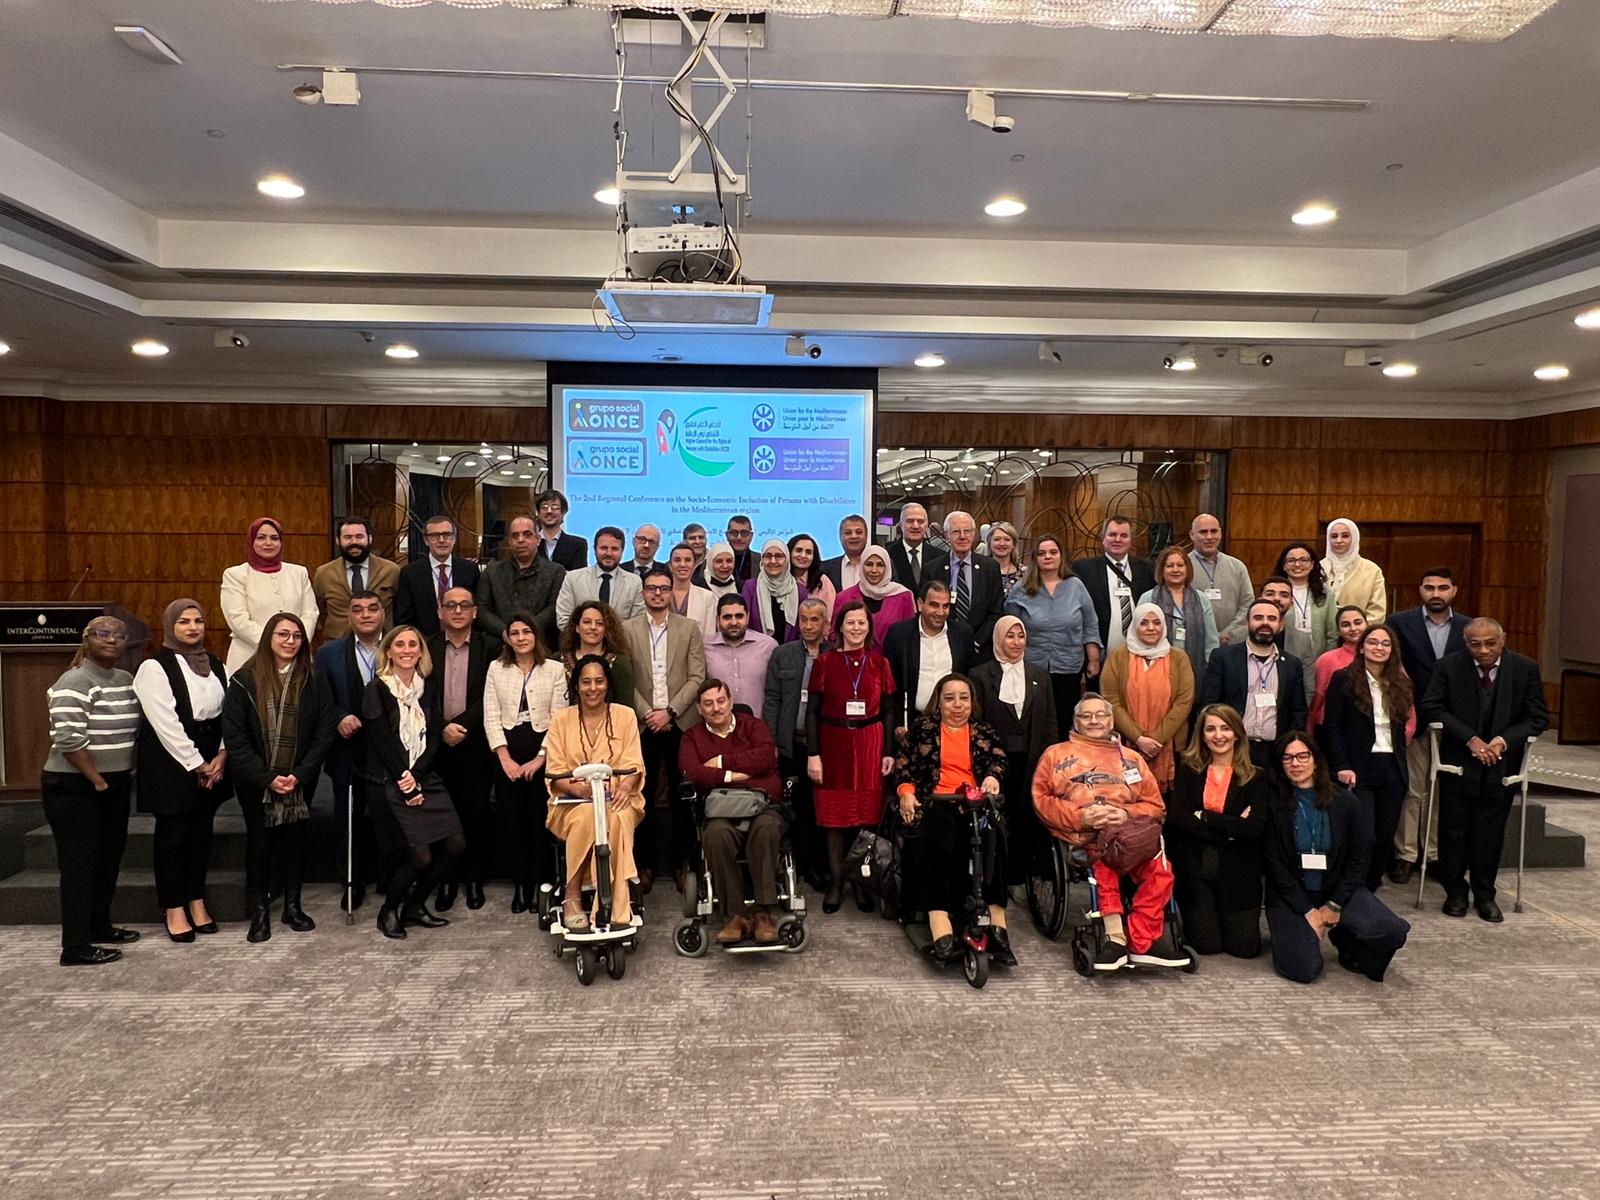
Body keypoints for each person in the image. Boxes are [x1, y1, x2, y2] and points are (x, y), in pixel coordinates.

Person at [1032, 695, 1182, 970]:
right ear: (1076, 722)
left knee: (1161, 872)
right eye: (1086, 716)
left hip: (1131, 835)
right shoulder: (1056, 755)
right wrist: (1081, 816)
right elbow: (1041, 800)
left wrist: (1128, 813)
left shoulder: (1132, 758)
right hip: (1088, 837)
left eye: (1100, 715)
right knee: (1103, 865)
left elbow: (1156, 807)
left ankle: (1141, 940)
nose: (1094, 721)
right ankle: (1115, 938)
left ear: (1111, 721)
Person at [1422, 617, 1549, 922]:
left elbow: (1537, 717)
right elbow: (1432, 707)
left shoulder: (1525, 668)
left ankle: (1484, 894)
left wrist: (1503, 741)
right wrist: (1471, 739)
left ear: (1502, 640)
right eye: (1475, 644)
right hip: (1459, 764)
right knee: (1453, 830)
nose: (1483, 650)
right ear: (1466, 644)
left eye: (1490, 643)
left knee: (1489, 833)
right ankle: (1455, 892)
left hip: (1501, 765)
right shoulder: (1448, 667)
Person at [221, 612, 336, 943]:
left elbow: (324, 731)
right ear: (268, 638)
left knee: (295, 842)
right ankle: (259, 912)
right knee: (260, 842)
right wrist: (268, 777)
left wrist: (299, 774)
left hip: (301, 779)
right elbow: (236, 737)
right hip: (256, 782)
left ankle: (293, 906)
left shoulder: (315, 679)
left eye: (297, 636)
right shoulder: (244, 680)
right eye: (283, 634)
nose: (290, 641)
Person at [1262, 731, 1410, 983]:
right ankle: (1305, 932)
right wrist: (1308, 910)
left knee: (1391, 931)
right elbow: (1274, 864)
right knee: (1304, 970)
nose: (1295, 763)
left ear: (1316, 759)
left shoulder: (1345, 802)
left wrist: (1334, 905)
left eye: (1302, 756)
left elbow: (1358, 860)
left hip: (1337, 891)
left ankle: (1346, 939)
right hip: (1292, 895)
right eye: (1287, 758)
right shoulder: (1272, 802)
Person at [895, 673, 1014, 966]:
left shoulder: (984, 731)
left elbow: (998, 760)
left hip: (973, 802)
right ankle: (939, 922)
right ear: (939, 702)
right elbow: (904, 765)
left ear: (972, 702)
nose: (957, 705)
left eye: (964, 698)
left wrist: (991, 778)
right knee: (937, 836)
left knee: (995, 836)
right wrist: (906, 793)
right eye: (950, 698)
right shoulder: (923, 729)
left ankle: (998, 923)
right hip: (935, 800)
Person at [43, 616, 141, 966]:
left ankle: (100, 926)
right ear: (87, 640)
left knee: (107, 860)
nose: (111, 640)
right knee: (79, 867)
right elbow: (68, 739)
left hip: (112, 783)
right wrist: (97, 779)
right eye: (102, 634)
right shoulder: (74, 680)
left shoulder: (125, 679)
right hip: (76, 785)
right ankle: (75, 947)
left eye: (118, 635)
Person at [135, 599, 231, 942]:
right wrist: (197, 763)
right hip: (171, 760)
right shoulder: (154, 667)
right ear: (170, 626)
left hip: (211, 758)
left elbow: (226, 713)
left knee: (201, 834)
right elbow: (165, 723)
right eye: (184, 622)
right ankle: (173, 907)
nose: (193, 627)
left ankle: (196, 899)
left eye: (198, 621)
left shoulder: (216, 663)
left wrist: (221, 754)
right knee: (173, 838)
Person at [362, 625, 465, 939]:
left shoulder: (428, 687)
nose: (407, 650)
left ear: (421, 652)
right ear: (389, 651)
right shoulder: (377, 689)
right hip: (390, 779)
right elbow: (381, 741)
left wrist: (417, 776)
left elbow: (434, 736)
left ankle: (415, 906)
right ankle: (389, 910)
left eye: (413, 645)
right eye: (400, 645)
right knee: (420, 855)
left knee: (455, 844)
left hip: (423, 775)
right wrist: (405, 781)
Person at [806, 599, 897, 914]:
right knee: (833, 820)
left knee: (865, 818)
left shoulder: (879, 663)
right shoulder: (825, 662)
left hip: (870, 743)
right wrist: (813, 755)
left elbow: (888, 711)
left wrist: (888, 752)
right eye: (851, 622)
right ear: (839, 627)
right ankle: (835, 882)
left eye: (862, 623)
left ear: (869, 628)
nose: (857, 628)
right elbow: (812, 712)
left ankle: (860, 882)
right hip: (832, 744)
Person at [679, 678, 785, 945]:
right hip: (720, 811)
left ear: (731, 702)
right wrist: (735, 776)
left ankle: (763, 913)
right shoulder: (692, 737)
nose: (716, 708)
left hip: (763, 805)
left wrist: (722, 763)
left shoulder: (754, 726)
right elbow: (692, 772)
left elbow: (767, 757)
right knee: (715, 834)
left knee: (767, 828)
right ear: (700, 710)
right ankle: (735, 915)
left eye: (721, 701)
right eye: (708, 704)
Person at [544, 656, 646, 929]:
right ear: (576, 685)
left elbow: (635, 765)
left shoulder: (625, 715)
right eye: (586, 682)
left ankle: (612, 904)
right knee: (589, 815)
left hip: (619, 798)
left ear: (608, 684)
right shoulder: (561, 719)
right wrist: (580, 790)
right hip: (572, 803)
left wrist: (624, 786)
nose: (593, 688)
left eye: (599, 681)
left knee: (617, 817)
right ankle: (572, 894)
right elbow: (554, 774)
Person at [621, 566, 707, 890]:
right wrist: (648, 714)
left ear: (672, 592)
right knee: (637, 796)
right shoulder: (626, 629)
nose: (658, 593)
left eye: (664, 588)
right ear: (643, 592)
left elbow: (698, 676)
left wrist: (669, 712)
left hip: (680, 723)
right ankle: (642, 865)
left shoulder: (689, 628)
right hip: (641, 726)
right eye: (652, 588)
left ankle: (682, 865)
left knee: (683, 798)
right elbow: (625, 679)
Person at [1165, 704, 1270, 958]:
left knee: (1245, 949)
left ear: (1237, 733)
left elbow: (1254, 827)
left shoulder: (1256, 777)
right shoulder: (1189, 769)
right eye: (1210, 729)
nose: (1218, 735)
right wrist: (1231, 828)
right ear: (1202, 735)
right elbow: (1178, 819)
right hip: (1197, 866)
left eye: (1225, 728)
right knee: (1207, 946)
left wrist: (1204, 817)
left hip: (1238, 871)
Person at [1388, 567, 1471, 884]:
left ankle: (1434, 855)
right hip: (1413, 718)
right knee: (1413, 789)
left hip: (1453, 722)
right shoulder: (1400, 623)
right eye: (1429, 587)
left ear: (1454, 590)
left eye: (1442, 588)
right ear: (1420, 590)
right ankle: (1405, 855)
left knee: (1440, 790)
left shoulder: (1467, 627)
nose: (1436, 593)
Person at [483, 611, 568, 914]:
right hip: (507, 748)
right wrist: (504, 757)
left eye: (526, 632)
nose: (521, 638)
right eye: (515, 632)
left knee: (540, 820)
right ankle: (522, 885)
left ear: (536, 636)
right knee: (512, 821)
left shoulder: (555, 669)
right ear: (507, 637)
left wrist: (540, 758)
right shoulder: (496, 668)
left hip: (543, 748)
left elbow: (560, 718)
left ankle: (542, 883)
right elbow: (490, 715)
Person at [1322, 624, 1416, 890]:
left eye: (1385, 644)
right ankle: (1353, 887)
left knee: (1385, 836)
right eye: (1373, 642)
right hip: (1359, 767)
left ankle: (1370, 888)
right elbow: (1332, 726)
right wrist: (1341, 765)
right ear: (1362, 647)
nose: (1379, 648)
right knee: (1365, 835)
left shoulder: (1401, 683)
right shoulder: (1343, 679)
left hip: (1392, 767)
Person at [426, 588, 500, 911]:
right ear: (440, 612)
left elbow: (492, 695)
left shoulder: (492, 648)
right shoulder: (425, 647)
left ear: (475, 612)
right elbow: (420, 696)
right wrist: (442, 726)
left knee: (476, 814)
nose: (457, 611)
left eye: (464, 605)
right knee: (443, 818)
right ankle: (446, 881)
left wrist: (462, 726)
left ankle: (474, 879)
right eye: (450, 606)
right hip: (435, 746)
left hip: (476, 745)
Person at [970, 616, 1056, 892]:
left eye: (1020, 636)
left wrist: (1050, 759)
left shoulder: (1039, 676)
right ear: (998, 639)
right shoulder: (981, 675)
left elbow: (1050, 721)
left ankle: (1024, 876)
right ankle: (997, 878)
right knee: (998, 817)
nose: (1016, 642)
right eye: (1010, 636)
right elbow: (977, 722)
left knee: (1027, 816)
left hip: (1032, 759)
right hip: (996, 762)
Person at [313, 590, 386, 913]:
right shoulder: (329, 654)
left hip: (390, 751)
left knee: (389, 816)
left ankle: (389, 877)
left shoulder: (400, 645)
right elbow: (321, 698)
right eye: (358, 610)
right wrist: (340, 716)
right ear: (349, 616)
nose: (366, 615)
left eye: (372, 609)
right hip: (347, 748)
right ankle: (352, 882)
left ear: (383, 613)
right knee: (348, 819)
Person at [763, 597, 832, 889]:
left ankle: (821, 866)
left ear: (826, 624)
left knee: (823, 809)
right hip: (793, 743)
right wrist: (773, 743)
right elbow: (773, 700)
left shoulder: (836, 654)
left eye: (814, 619)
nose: (808, 625)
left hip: (828, 746)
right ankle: (799, 866)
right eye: (803, 619)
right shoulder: (783, 654)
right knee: (798, 809)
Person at [1004, 534, 1101, 739]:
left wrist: (1093, 659)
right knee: (1034, 721)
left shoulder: (1076, 586)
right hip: (1032, 667)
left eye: (1053, 552)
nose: (1048, 557)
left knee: (1065, 720)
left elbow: (1090, 624)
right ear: (1035, 558)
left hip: (1069, 666)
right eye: (1042, 553)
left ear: (1061, 556)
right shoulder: (1021, 589)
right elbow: (1008, 628)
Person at [1198, 599, 1308, 769]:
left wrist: (1286, 747)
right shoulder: (1223, 658)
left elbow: (1298, 711)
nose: (1265, 623)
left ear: (1281, 625)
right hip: (1232, 749)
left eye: (1271, 619)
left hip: (1275, 753)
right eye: (1258, 618)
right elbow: (1209, 703)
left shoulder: (1292, 664)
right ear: (1247, 622)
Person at [1099, 604, 1196, 794]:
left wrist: (1155, 740)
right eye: (1143, 623)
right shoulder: (1118, 656)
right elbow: (1110, 700)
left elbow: (1184, 701)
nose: (1151, 628)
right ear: (1135, 626)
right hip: (1126, 745)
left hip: (1170, 745)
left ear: (1164, 627)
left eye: (1156, 622)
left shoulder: (1178, 658)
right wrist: (1138, 738)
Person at [220, 517, 319, 673]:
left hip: (295, 656)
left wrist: (295, 642)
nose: (268, 543)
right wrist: (274, 643)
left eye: (274, 538)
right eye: (261, 538)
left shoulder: (299, 573)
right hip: (250, 657)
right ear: (251, 541)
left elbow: (310, 613)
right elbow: (237, 618)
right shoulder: (235, 575)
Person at [883, 579, 974, 738]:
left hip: (951, 724)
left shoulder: (962, 634)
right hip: (910, 724)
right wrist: (898, 722)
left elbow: (966, 677)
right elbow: (890, 683)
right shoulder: (899, 635)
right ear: (920, 604)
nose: (940, 612)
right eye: (934, 605)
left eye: (945, 606)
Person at [1072, 516, 1156, 662]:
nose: (1117, 539)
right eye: (1112, 534)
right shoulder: (1084, 569)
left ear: (1131, 540)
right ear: (1103, 538)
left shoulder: (1148, 569)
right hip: (1100, 654)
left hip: (1141, 652)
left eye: (1123, 535)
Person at [475, 513, 566, 648]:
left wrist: (527, 631)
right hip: (500, 645)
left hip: (542, 645)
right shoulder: (492, 571)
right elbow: (482, 609)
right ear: (509, 541)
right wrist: (506, 632)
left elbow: (554, 609)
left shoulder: (555, 571)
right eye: (515, 536)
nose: (521, 540)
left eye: (527, 534)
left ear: (538, 539)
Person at [1138, 545, 1219, 680]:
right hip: (1155, 669)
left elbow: (1211, 640)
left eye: (1180, 565)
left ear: (1187, 569)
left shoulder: (1201, 599)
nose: (1175, 570)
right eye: (1169, 566)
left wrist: (1211, 668)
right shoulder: (1148, 598)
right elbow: (1138, 636)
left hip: (1195, 670)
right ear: (1161, 570)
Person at [312, 516, 400, 640]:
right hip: (337, 645)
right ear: (338, 540)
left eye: (359, 536)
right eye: (348, 537)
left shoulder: (391, 571)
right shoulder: (324, 574)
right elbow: (319, 611)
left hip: (382, 644)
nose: (354, 542)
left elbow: (399, 609)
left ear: (369, 538)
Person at [394, 514, 480, 638]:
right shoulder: (410, 573)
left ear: (454, 539)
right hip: (425, 643)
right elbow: (404, 616)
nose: (441, 540)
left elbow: (477, 609)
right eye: (434, 535)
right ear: (426, 540)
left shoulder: (469, 569)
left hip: (464, 641)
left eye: (447, 534)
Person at [703, 593, 778, 719]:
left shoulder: (768, 646)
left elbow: (777, 692)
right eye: (727, 617)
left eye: (739, 616)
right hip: (717, 727)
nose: (734, 622)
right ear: (717, 620)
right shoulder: (704, 647)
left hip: (758, 727)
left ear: (748, 617)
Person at [942, 510, 1005, 660]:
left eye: (967, 531)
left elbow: (996, 611)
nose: (962, 536)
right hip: (944, 647)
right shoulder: (933, 568)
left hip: (980, 651)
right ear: (946, 536)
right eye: (956, 532)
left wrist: (976, 641)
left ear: (974, 534)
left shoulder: (990, 567)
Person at [555, 525, 644, 629]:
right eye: (604, 548)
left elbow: (637, 623)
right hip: (581, 644)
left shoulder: (634, 583)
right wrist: (588, 639)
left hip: (620, 644)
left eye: (614, 549)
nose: (609, 553)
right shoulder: (573, 579)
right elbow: (563, 619)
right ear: (595, 549)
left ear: (622, 551)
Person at [833, 545, 915, 654]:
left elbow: (910, 636)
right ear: (861, 566)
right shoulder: (844, 598)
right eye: (869, 564)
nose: (874, 570)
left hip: (893, 666)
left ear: (888, 568)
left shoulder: (903, 596)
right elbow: (834, 635)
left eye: (880, 565)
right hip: (853, 664)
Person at [1275, 542, 1338, 685]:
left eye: (1304, 560)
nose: (1297, 564)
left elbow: (1332, 634)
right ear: (1284, 565)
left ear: (1312, 564)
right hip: (1284, 655)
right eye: (1291, 560)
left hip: (1317, 658)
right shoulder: (1276, 594)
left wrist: (1326, 661)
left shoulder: (1326, 594)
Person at [1187, 514, 1253, 646]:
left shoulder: (1237, 566)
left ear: (1221, 533)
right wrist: (1210, 636)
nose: (1209, 537)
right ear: (1192, 535)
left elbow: (1247, 604)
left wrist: (1227, 633)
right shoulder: (1183, 566)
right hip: (1195, 642)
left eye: (1214, 531)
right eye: (1203, 532)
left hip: (1233, 641)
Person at [559, 599, 637, 709]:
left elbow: (625, 709)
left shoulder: (619, 663)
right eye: (587, 622)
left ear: (606, 630)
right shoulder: (557, 661)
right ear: (577, 627)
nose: (593, 627)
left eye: (599, 623)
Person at [1309, 605, 1368, 729]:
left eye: (1358, 623)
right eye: (1346, 625)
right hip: (1332, 726)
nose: (1353, 628)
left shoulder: (1380, 654)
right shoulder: (1327, 660)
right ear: (1338, 630)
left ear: (1367, 624)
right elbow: (1318, 700)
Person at [1321, 518, 1387, 622]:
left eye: (1345, 536)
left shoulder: (1371, 570)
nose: (1339, 540)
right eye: (1334, 536)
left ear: (1355, 538)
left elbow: (1377, 611)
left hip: (1358, 634)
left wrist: (1360, 632)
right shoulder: (1318, 568)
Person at [744, 539, 807, 643]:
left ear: (787, 560)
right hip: (757, 652)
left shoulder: (800, 591)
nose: (773, 561)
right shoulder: (750, 587)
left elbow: (802, 627)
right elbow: (746, 625)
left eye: (778, 556)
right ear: (762, 560)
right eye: (768, 556)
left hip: (790, 653)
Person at [886, 502, 949, 593]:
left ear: (927, 525)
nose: (915, 526)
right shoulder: (888, 555)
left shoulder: (940, 556)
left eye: (920, 521)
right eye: (910, 521)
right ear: (900, 525)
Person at [666, 541, 717, 637]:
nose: (682, 564)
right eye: (677, 560)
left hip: (696, 651)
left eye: (688, 560)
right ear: (670, 565)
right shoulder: (660, 594)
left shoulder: (707, 597)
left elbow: (709, 636)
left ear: (694, 565)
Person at [787, 533, 837, 627]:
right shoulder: (780, 579)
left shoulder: (822, 581)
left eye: (808, 552)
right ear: (789, 552)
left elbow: (829, 618)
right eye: (798, 550)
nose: (803, 555)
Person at [534, 488, 588, 570]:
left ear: (563, 512)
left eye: (555, 507)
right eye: (544, 507)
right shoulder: (531, 543)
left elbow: (578, 578)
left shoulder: (578, 544)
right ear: (538, 512)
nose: (549, 511)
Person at [820, 514, 870, 594]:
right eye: (848, 533)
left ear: (866, 536)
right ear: (840, 537)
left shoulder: (880, 566)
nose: (853, 536)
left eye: (859, 532)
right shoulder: (825, 568)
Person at [985, 520, 1026, 600]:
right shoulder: (979, 572)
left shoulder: (1025, 574)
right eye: (997, 539)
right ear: (989, 543)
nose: (1002, 543)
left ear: (1013, 544)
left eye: (1007, 539)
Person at [723, 514, 757, 585]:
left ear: (751, 536)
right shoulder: (713, 560)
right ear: (727, 535)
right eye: (734, 533)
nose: (739, 538)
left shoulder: (761, 561)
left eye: (744, 533)